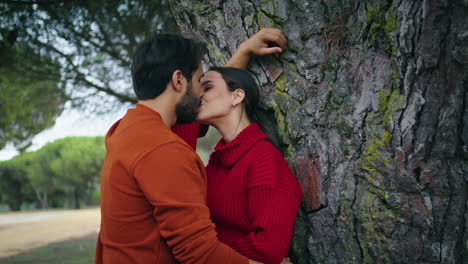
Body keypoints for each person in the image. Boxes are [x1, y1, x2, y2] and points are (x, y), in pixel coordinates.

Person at [95, 29, 290, 264]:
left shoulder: (129, 129)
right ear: (178, 80)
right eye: (200, 82)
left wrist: (243, 53)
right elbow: (198, 252)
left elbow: (209, 102)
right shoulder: (163, 149)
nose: (201, 93)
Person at [173, 66, 302, 264]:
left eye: (206, 88)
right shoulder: (217, 162)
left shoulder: (264, 160)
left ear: (237, 96)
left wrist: (201, 249)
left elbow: (268, 250)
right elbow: (174, 140)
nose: (198, 94)